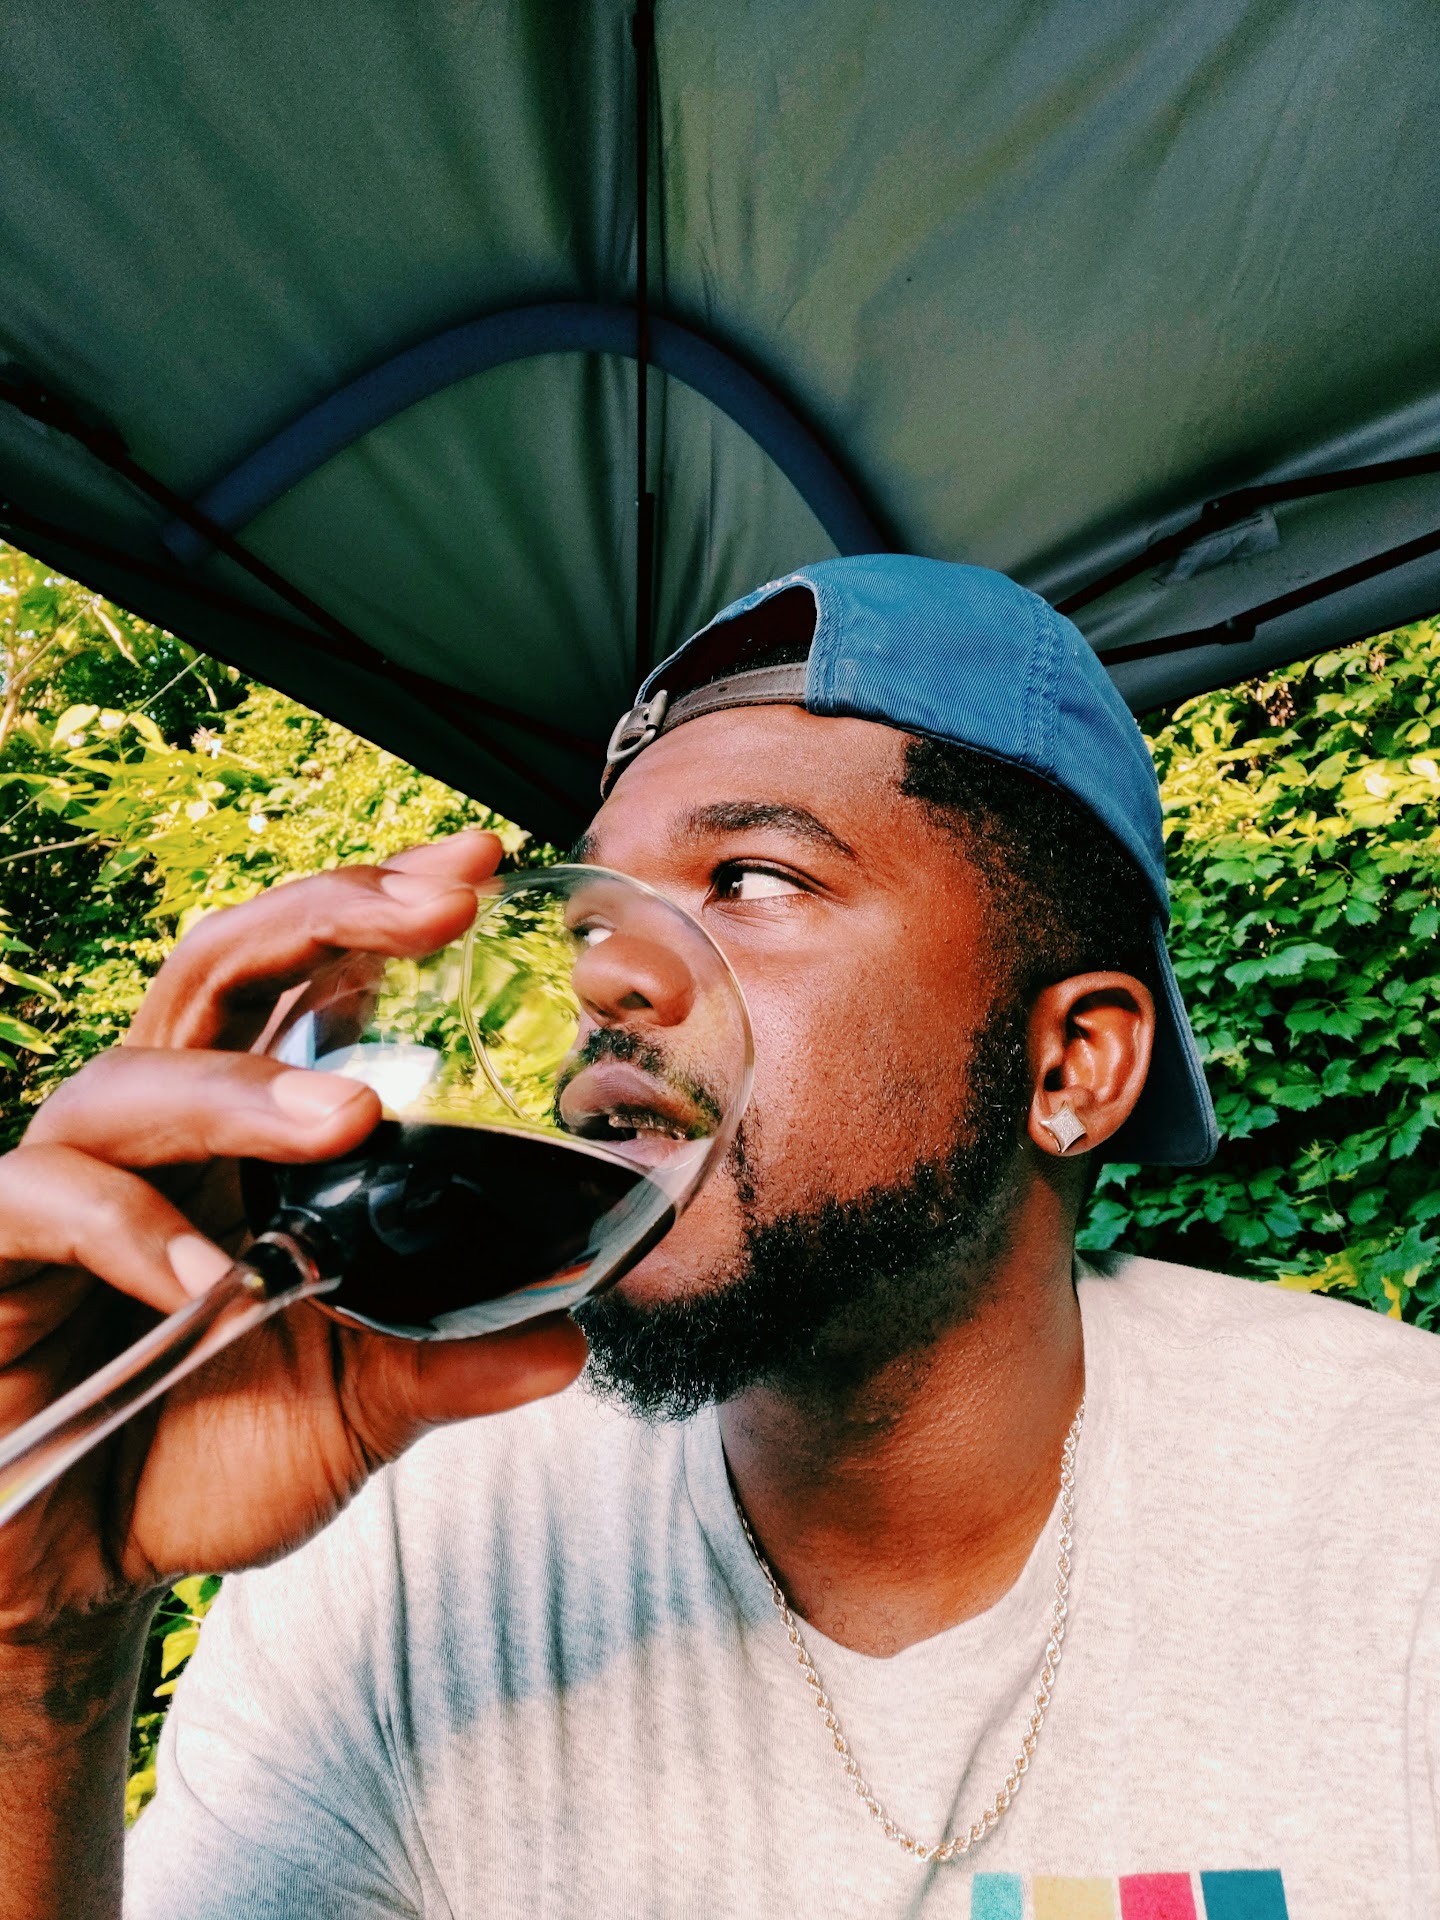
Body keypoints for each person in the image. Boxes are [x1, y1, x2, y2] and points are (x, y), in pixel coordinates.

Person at [0, 557, 1435, 1920]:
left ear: (1068, 1066)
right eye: (592, 913)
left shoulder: (1393, 1511)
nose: (603, 977)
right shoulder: (411, 1531)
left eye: (752, 879)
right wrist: (35, 1647)